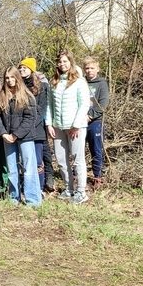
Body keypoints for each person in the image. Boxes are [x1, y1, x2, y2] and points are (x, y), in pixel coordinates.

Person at [46, 51, 91, 204]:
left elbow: (84, 104)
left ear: (70, 62)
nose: (62, 64)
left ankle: (81, 192)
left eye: (65, 61)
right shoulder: (54, 82)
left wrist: (76, 125)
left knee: (78, 160)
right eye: (60, 62)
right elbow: (49, 105)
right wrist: (49, 123)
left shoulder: (79, 81)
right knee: (60, 159)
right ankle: (68, 188)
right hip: (58, 127)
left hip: (75, 127)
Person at [0, 67, 42, 206]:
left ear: (17, 78)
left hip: (24, 136)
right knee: (12, 169)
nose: (9, 80)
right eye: (7, 78)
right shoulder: (0, 96)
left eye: (12, 77)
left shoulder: (26, 95)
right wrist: (3, 133)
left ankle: (33, 199)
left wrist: (16, 135)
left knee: (29, 168)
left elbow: (30, 118)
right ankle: (14, 197)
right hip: (7, 137)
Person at [19, 57, 50, 190]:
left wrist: (31, 124)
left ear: (31, 69)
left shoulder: (42, 86)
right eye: (20, 68)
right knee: (25, 162)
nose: (21, 70)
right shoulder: (19, 86)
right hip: (22, 129)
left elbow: (42, 109)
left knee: (38, 162)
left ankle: (40, 188)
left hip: (37, 129)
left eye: (24, 68)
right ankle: (28, 187)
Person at [84, 57, 109, 188]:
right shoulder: (81, 82)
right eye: (87, 68)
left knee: (96, 149)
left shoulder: (102, 83)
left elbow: (103, 104)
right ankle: (78, 176)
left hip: (95, 122)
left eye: (92, 68)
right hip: (79, 122)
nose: (89, 71)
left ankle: (97, 176)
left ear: (97, 69)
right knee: (78, 150)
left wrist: (90, 116)